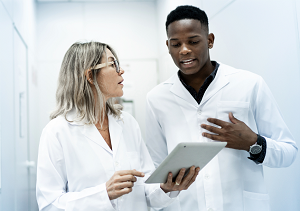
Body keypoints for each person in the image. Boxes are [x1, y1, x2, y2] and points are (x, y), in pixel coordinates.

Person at [145, 5, 298, 211]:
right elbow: (156, 170)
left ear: (210, 40)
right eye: (176, 44)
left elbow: (289, 152)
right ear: (168, 46)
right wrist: (166, 188)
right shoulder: (157, 98)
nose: (184, 50)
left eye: (193, 41)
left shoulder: (250, 84)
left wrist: (254, 143)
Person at [36, 41, 200, 211]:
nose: (120, 70)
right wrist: (104, 193)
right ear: (90, 76)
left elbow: (146, 188)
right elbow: (49, 204)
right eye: (113, 64)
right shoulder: (57, 132)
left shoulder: (127, 123)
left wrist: (166, 188)